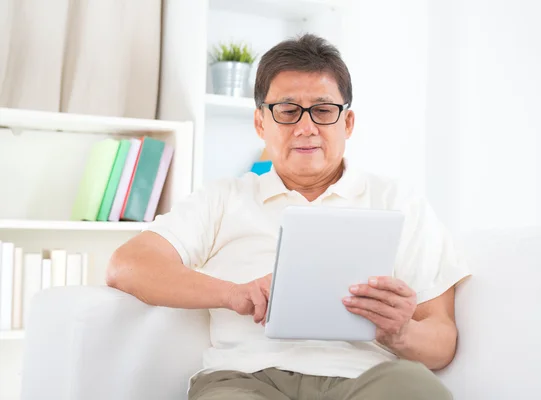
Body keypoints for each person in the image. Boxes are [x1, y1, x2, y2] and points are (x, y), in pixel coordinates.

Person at [107, 34, 470, 400]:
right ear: (261, 123)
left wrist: (399, 331)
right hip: (246, 379)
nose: (306, 127)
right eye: (287, 110)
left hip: (366, 381)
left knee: (419, 390)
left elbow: (442, 343)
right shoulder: (222, 198)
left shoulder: (400, 202)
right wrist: (234, 294)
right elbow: (128, 265)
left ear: (348, 123)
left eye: (323, 110)